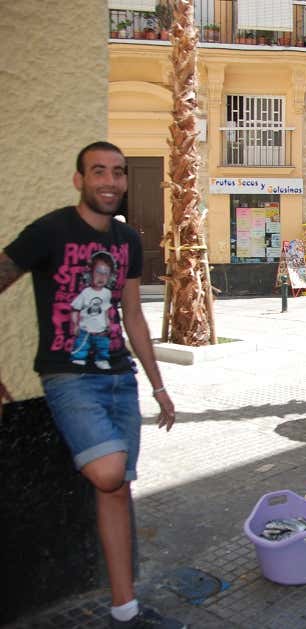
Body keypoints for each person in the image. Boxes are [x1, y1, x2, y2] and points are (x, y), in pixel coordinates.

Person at [0, 142, 183, 628]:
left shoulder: (126, 241)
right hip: (69, 378)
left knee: (116, 489)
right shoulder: (51, 230)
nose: (110, 181)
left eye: (118, 173)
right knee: (108, 472)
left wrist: (159, 386)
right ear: (79, 179)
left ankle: (125, 608)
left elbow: (134, 317)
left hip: (120, 379)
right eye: (98, 171)